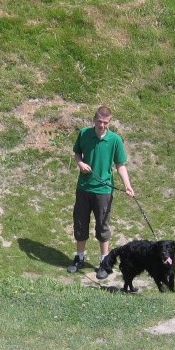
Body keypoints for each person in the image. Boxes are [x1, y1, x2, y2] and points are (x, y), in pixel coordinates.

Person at [67, 105, 134, 279]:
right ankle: (79, 258)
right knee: (80, 224)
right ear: (94, 119)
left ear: (109, 122)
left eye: (105, 122)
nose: (102, 125)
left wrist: (127, 185)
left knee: (102, 226)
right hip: (83, 188)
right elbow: (77, 153)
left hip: (104, 190)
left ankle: (104, 263)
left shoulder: (115, 140)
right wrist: (80, 163)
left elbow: (120, 164)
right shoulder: (84, 134)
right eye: (99, 121)